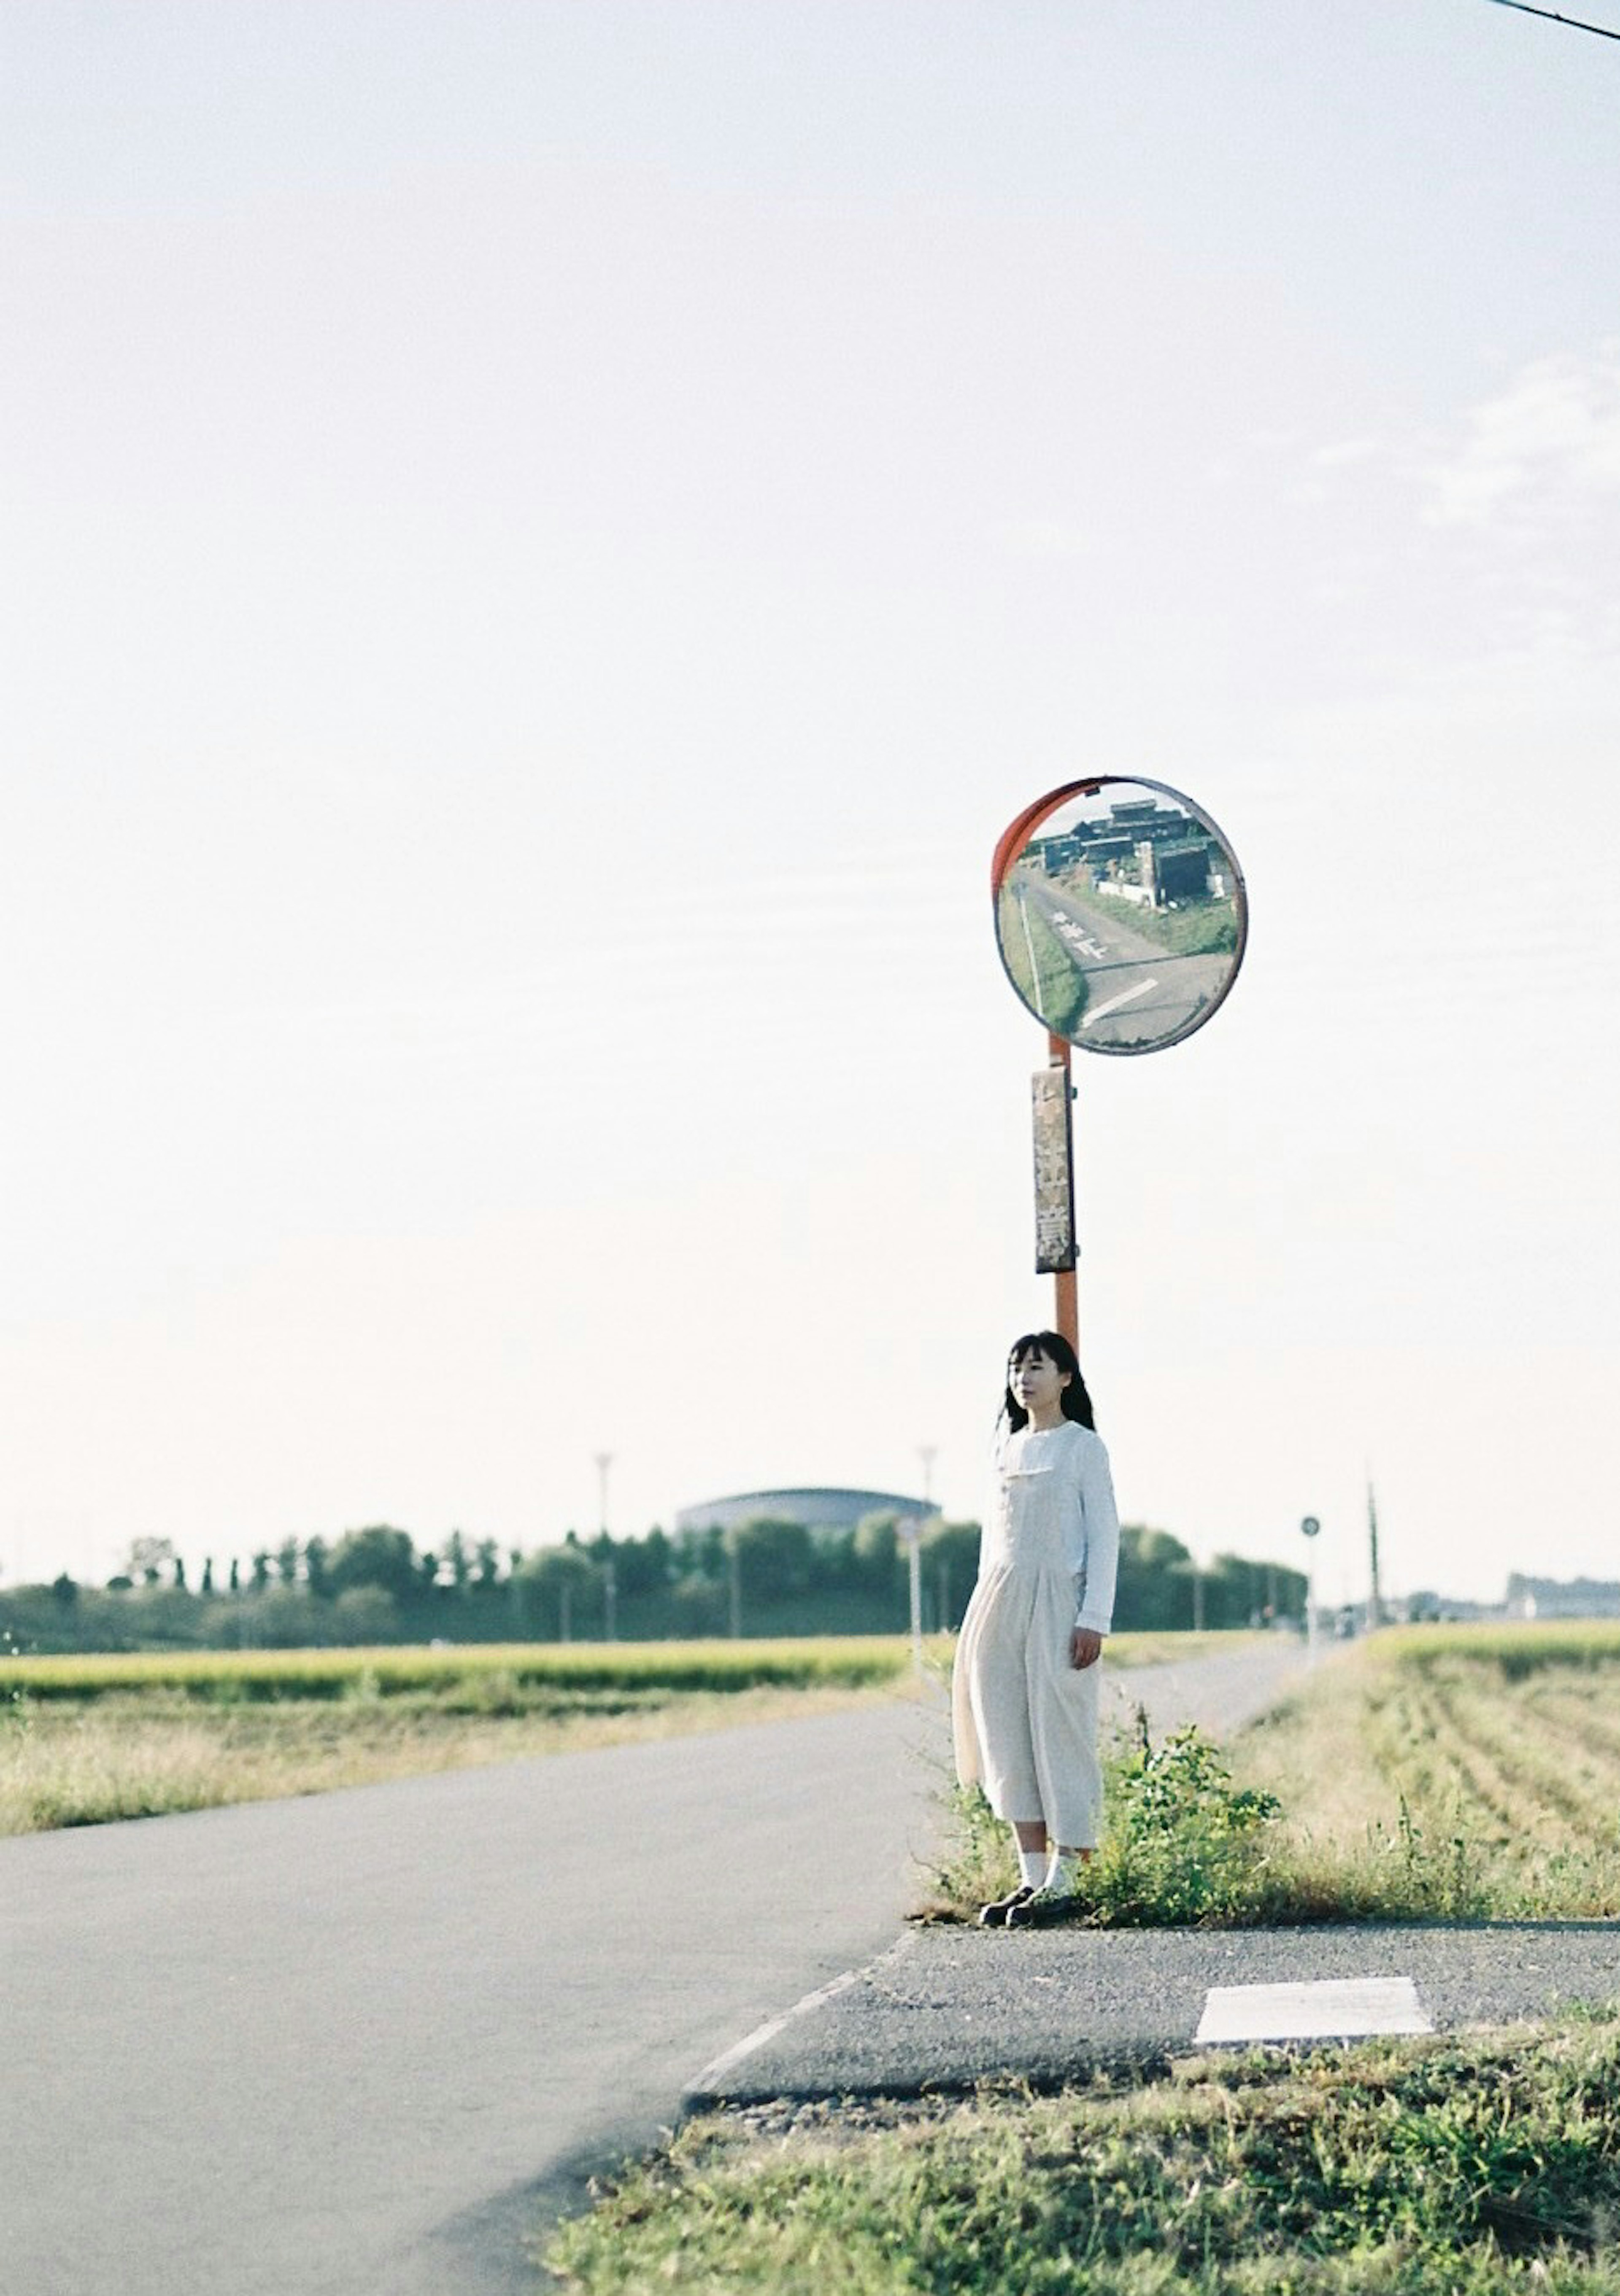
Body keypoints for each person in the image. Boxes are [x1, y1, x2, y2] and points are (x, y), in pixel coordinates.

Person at [951, 1330, 1120, 1928]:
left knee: (1060, 1732)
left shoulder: (1083, 1448)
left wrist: (1093, 1617)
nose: (1025, 1378)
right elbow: (991, 1542)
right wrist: (979, 1618)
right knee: (1006, 1733)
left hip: (1061, 1601)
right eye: (1017, 1368)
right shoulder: (1005, 1449)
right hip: (1000, 1600)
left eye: (1038, 1367)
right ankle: (1029, 1876)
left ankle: (1067, 1875)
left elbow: (1104, 1537)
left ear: (1065, 1379)